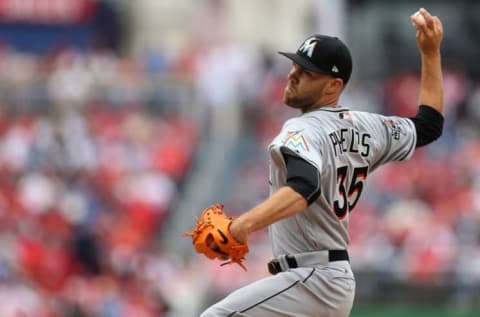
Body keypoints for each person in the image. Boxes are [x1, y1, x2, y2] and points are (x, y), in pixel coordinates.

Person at [201, 7, 444, 317]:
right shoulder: (369, 126)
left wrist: (242, 226)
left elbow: (305, 187)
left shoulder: (300, 128)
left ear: (333, 86)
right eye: (296, 65)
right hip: (330, 279)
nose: (294, 75)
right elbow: (428, 125)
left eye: (308, 73)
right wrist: (431, 52)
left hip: (311, 277)